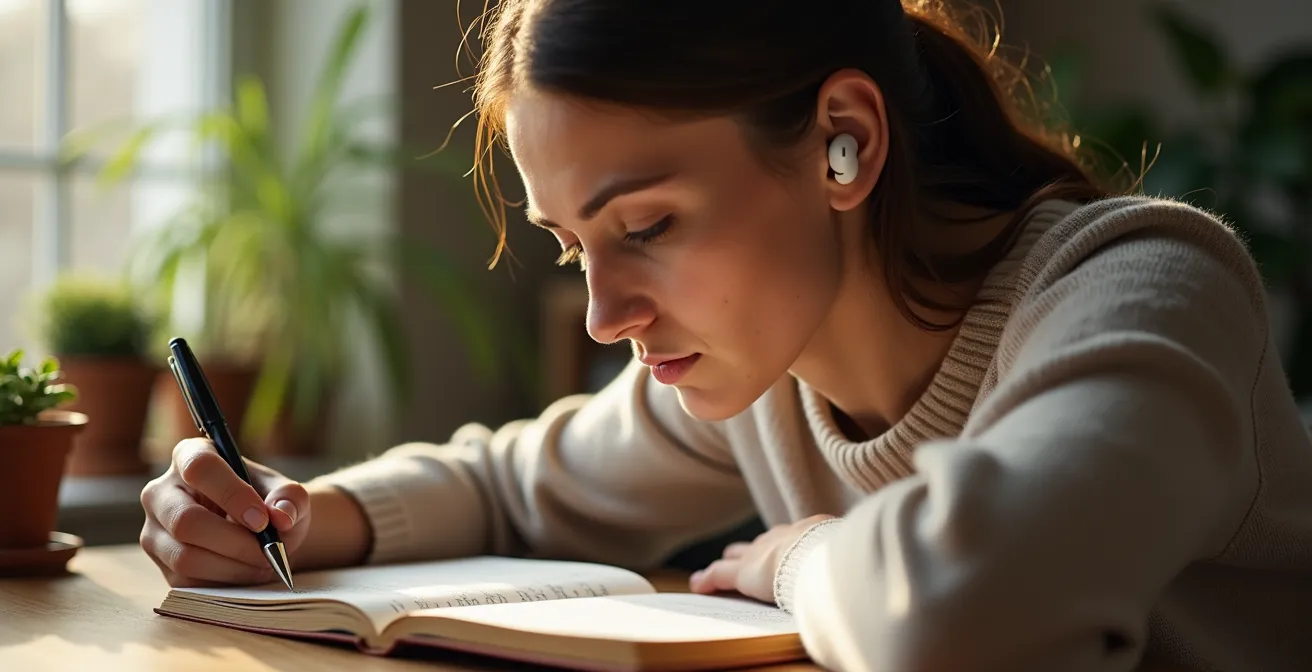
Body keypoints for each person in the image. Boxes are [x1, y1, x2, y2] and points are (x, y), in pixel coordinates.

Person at [138, 0, 1312, 670]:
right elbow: (515, 486)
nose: (603, 313)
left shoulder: (1143, 285)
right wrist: (296, 514)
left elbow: (964, 604)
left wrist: (792, 561)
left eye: (644, 223)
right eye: (570, 244)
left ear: (839, 140)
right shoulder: (760, 370)